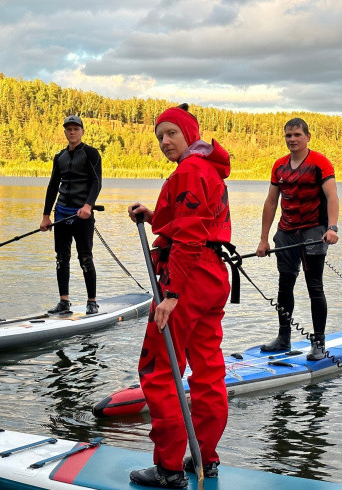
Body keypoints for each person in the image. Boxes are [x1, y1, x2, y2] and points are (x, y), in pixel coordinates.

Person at [127, 104, 232, 488]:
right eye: (160, 136)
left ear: (189, 133)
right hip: (213, 277)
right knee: (208, 371)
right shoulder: (207, 169)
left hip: (187, 279)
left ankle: (169, 469)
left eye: (172, 133)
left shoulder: (189, 171)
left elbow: (189, 237)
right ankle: (205, 458)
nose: (165, 141)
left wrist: (171, 293)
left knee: (160, 371)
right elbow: (193, 223)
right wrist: (154, 217)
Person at [256, 117, 339, 361]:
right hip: (286, 232)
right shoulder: (279, 166)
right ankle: (284, 338)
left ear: (307, 137)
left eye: (297, 135)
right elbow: (271, 202)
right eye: (288, 135)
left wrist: (332, 228)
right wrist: (263, 239)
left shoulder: (320, 162)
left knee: (314, 286)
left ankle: (319, 343)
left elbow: (332, 197)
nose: (292, 139)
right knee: (284, 286)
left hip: (314, 232)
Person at [40, 115, 102, 315]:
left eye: (76, 129)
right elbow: (52, 186)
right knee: (61, 258)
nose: (72, 132)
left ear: (82, 131)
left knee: (85, 257)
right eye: (69, 129)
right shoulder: (60, 156)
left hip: (82, 214)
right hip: (61, 214)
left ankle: (92, 302)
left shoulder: (91, 153)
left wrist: (88, 206)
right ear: (65, 132)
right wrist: (46, 215)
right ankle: (64, 302)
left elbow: (96, 182)